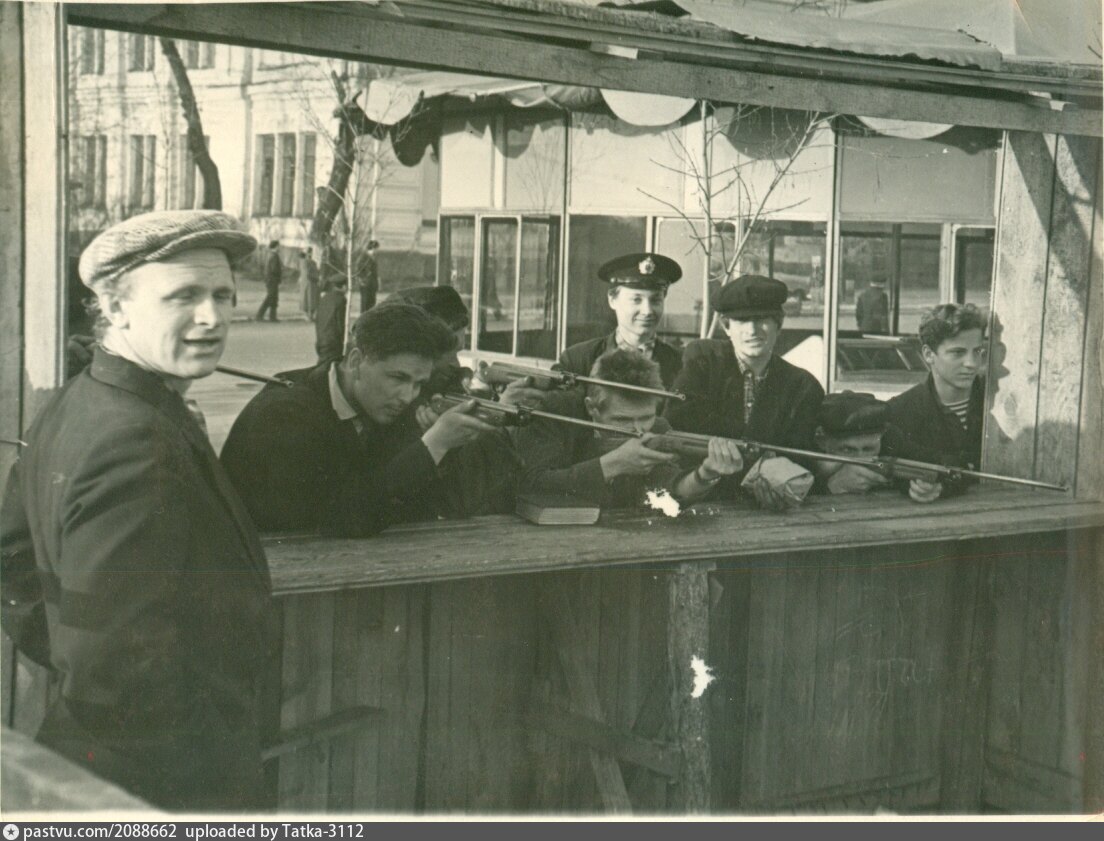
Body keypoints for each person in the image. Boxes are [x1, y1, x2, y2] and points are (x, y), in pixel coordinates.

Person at [0, 210, 277, 811]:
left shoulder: (84, 399)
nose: (212, 317)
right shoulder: (137, 440)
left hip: (106, 760)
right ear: (114, 306)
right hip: (160, 783)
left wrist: (64, 650)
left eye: (223, 295)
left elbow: (14, 563)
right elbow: (116, 671)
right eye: (184, 296)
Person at [220, 303, 496, 537]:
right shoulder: (285, 414)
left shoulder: (373, 403)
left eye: (418, 383)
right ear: (355, 362)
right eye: (398, 378)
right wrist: (433, 446)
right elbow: (341, 518)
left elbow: (416, 507)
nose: (408, 396)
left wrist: (428, 443)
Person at [517, 350, 743, 508]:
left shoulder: (658, 427)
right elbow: (532, 484)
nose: (638, 431)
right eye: (622, 420)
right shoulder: (554, 414)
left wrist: (704, 475)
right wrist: (612, 464)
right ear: (592, 408)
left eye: (645, 417)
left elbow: (666, 488)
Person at [666, 274, 825, 495]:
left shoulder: (803, 386)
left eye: (762, 319)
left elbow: (801, 456)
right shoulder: (703, 363)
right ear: (726, 326)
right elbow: (678, 428)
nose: (752, 330)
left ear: (778, 324)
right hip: (701, 497)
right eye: (741, 321)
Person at [883, 302, 987, 503]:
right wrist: (916, 487)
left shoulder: (1000, 405)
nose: (972, 363)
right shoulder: (899, 412)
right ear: (928, 354)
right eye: (958, 352)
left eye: (977, 351)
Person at [557, 252, 684, 389]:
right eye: (636, 299)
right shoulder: (578, 361)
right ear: (612, 300)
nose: (647, 311)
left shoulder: (682, 366)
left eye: (655, 300)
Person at [813, 391, 893, 495]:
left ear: (881, 437)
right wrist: (833, 487)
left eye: (868, 449)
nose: (861, 460)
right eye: (847, 450)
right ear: (822, 442)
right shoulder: (805, 463)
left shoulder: (893, 446)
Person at [315, 275, 349, 365]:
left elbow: (317, 320)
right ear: (344, 287)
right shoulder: (341, 300)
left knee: (322, 365)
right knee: (328, 367)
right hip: (333, 341)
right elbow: (340, 323)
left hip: (321, 339)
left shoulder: (324, 298)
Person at [255, 239, 282, 321]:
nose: (279, 247)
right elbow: (274, 269)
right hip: (273, 279)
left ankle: (272, 316)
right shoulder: (274, 256)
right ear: (276, 246)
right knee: (271, 297)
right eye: (278, 246)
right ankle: (260, 315)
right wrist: (279, 275)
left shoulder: (269, 254)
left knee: (273, 297)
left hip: (269, 279)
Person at [358, 239, 380, 314]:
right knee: (365, 304)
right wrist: (363, 280)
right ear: (373, 248)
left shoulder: (373, 258)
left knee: (372, 303)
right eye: (376, 249)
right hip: (366, 285)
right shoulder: (363, 258)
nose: (377, 251)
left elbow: (375, 273)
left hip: (372, 285)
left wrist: (377, 284)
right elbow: (359, 271)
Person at [298, 247, 320, 320]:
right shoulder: (305, 262)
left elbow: (315, 271)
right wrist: (316, 277)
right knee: (308, 298)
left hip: (312, 282)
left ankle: (311, 314)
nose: (310, 254)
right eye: (309, 252)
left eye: (311, 252)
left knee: (312, 298)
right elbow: (307, 273)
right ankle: (309, 315)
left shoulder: (312, 262)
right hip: (309, 282)